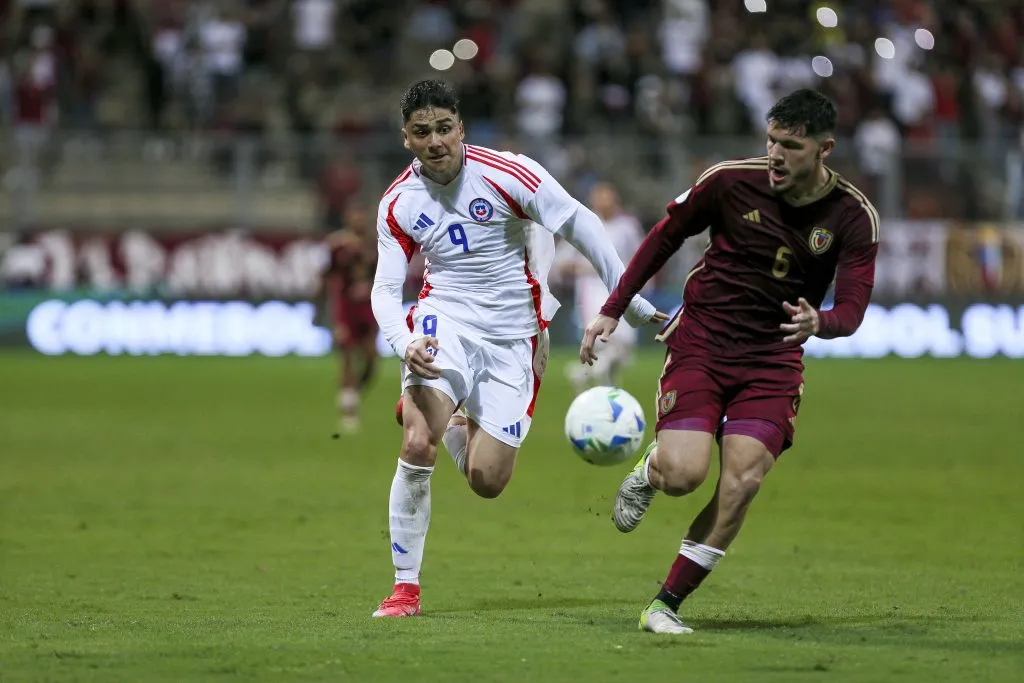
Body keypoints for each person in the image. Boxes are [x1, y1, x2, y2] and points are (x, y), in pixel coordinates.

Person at [581, 89, 879, 634]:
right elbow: (662, 239)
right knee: (684, 474)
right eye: (771, 141)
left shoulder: (853, 216)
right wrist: (612, 311)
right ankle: (652, 469)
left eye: (791, 145)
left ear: (824, 149)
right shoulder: (729, 180)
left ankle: (664, 605)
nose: (776, 155)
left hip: (772, 360)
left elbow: (854, 307)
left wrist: (823, 322)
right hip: (702, 344)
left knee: (742, 482)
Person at [370, 79, 665, 618]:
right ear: (406, 138)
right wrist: (404, 341)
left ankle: (452, 419)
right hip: (445, 321)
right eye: (421, 132)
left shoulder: (508, 173)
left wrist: (630, 302)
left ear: (460, 127)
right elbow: (386, 291)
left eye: (443, 128)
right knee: (416, 445)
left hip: (517, 336)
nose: (435, 141)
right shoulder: (399, 203)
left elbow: (582, 223)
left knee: (487, 482)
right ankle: (404, 590)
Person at [553, 181, 647, 392]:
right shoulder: (583, 224)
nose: (604, 201)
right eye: (599, 197)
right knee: (608, 342)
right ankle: (608, 390)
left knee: (623, 347)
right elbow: (561, 263)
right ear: (593, 200)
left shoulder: (627, 226)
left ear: (615, 199)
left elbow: (641, 255)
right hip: (591, 291)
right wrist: (590, 267)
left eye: (608, 196)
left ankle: (584, 375)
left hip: (621, 289)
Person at [319, 203, 378, 434]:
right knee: (347, 357)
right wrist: (321, 307)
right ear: (347, 217)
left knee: (372, 359)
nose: (358, 220)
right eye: (354, 215)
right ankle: (349, 411)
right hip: (345, 309)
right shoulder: (338, 244)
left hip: (368, 308)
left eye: (361, 216)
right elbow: (327, 275)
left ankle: (353, 393)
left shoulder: (374, 244)